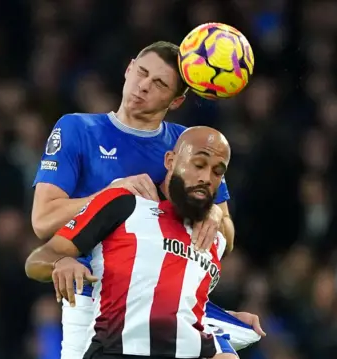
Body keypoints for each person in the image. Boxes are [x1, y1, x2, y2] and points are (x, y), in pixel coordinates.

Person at [30, 41, 262, 358]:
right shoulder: (78, 129)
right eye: (141, 73)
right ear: (128, 69)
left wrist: (216, 216)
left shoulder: (189, 145)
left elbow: (227, 237)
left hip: (161, 302)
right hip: (89, 297)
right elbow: (43, 220)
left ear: (177, 99)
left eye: (159, 84)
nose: (143, 86)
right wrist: (111, 192)